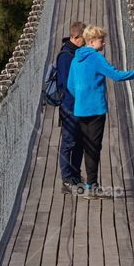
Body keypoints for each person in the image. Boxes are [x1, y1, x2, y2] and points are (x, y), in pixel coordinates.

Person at [67, 26, 134, 198]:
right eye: (101, 39)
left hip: (81, 109)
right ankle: (91, 186)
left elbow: (70, 85)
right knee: (94, 148)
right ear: (92, 41)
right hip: (96, 109)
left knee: (88, 147)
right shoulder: (96, 58)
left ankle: (91, 185)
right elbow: (117, 76)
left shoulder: (76, 59)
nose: (104, 42)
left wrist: (81, 97)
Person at [56, 22, 86, 193]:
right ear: (75, 37)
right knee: (69, 142)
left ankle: (75, 175)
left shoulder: (76, 52)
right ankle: (66, 179)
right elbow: (68, 83)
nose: (86, 42)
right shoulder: (66, 56)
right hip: (69, 106)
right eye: (84, 39)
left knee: (80, 142)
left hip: (79, 106)